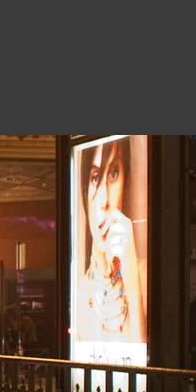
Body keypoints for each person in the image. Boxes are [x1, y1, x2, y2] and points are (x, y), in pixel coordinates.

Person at [77, 138, 147, 343]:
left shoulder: (143, 275)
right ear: (84, 187)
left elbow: (143, 367)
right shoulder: (83, 290)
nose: (104, 200)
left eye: (114, 173)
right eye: (95, 177)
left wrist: (132, 283)